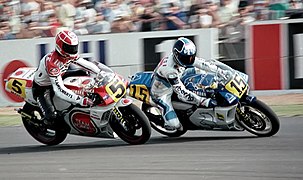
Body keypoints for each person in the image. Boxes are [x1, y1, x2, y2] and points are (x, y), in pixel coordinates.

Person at [150, 37, 226, 130]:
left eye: (191, 57)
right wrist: (203, 101)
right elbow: (182, 93)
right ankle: (163, 120)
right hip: (162, 92)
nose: (189, 60)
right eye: (186, 58)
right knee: (174, 126)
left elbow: (203, 64)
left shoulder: (184, 59)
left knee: (201, 71)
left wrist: (221, 72)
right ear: (177, 55)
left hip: (180, 75)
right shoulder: (170, 70)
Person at [32, 30, 102, 126]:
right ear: (60, 46)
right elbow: (59, 90)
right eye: (69, 47)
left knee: (84, 72)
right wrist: (80, 100)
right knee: (52, 117)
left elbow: (85, 64)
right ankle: (41, 124)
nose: (72, 50)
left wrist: (100, 72)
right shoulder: (52, 63)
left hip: (60, 75)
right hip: (43, 87)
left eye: (74, 47)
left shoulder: (68, 54)